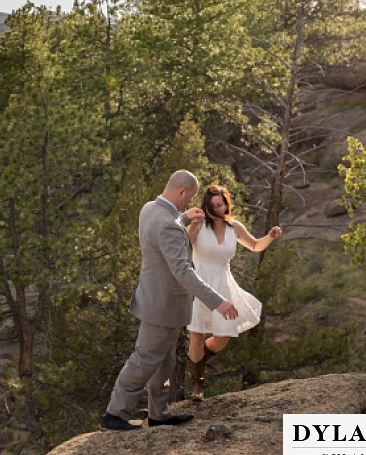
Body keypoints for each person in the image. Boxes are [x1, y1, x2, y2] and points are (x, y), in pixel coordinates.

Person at [101, 170, 240, 431]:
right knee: (144, 359)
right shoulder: (169, 226)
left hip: (153, 298)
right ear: (181, 193)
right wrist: (218, 302)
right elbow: (183, 271)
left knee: (164, 361)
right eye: (190, 198)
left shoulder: (150, 209)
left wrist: (183, 217)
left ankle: (159, 413)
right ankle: (115, 414)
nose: (190, 204)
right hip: (162, 305)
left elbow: (169, 219)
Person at [185, 184, 282, 401]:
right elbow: (185, 245)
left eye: (220, 204)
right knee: (197, 333)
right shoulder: (200, 225)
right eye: (212, 206)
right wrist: (192, 225)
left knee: (223, 336)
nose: (216, 209)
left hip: (223, 284)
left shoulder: (234, 227)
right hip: (198, 281)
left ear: (226, 203)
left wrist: (271, 236)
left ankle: (194, 361)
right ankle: (197, 383)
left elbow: (256, 246)